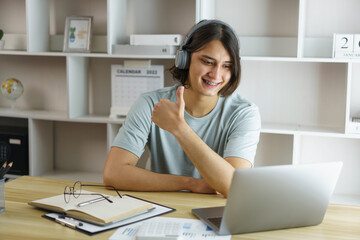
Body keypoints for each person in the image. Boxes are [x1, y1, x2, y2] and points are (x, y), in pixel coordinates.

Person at [103, 20, 261, 197]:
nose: (216, 75)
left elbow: (233, 186)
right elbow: (113, 173)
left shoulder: (244, 113)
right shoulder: (151, 103)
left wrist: (179, 128)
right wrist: (190, 184)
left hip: (214, 210)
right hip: (160, 205)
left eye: (226, 66)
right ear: (185, 59)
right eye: (208, 62)